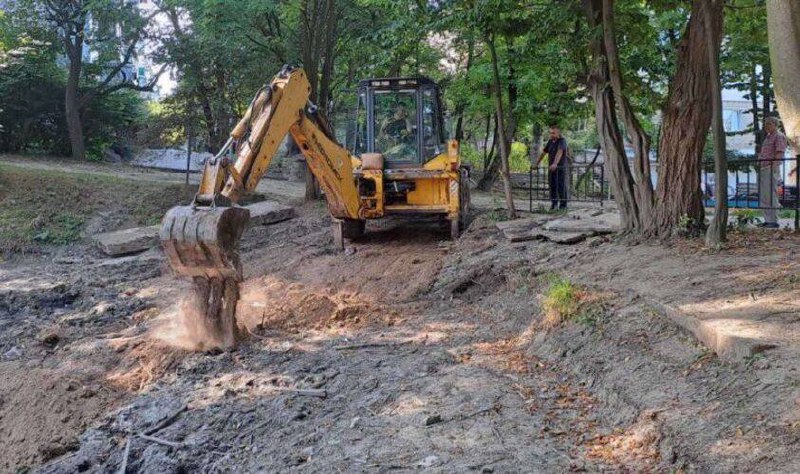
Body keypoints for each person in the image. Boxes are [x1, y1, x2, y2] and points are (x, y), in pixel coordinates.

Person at [758, 116, 787, 228]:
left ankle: (773, 220)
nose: (766, 126)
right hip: (764, 168)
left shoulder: (779, 136)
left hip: (770, 168)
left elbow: (780, 152)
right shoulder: (768, 137)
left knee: (771, 193)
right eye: (765, 124)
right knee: (765, 194)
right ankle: (767, 220)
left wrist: (773, 167)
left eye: (769, 124)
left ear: (775, 124)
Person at [535, 124, 569, 210]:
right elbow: (543, 153)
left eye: (553, 133)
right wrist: (537, 163)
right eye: (550, 133)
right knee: (552, 186)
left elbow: (560, 151)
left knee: (560, 185)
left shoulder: (562, 141)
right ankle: (554, 204)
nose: (551, 135)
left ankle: (563, 205)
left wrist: (555, 163)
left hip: (560, 168)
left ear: (558, 133)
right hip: (551, 168)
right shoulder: (550, 142)